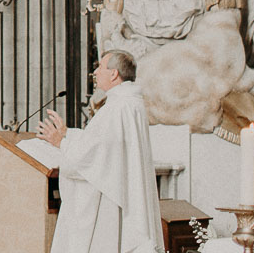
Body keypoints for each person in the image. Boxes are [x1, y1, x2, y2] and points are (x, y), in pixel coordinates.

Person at [37, 51, 163, 253]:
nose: (94, 72)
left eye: (100, 67)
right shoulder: (129, 102)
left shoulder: (118, 107)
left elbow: (92, 157)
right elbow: (105, 145)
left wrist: (61, 143)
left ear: (114, 74)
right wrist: (68, 133)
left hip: (108, 203)